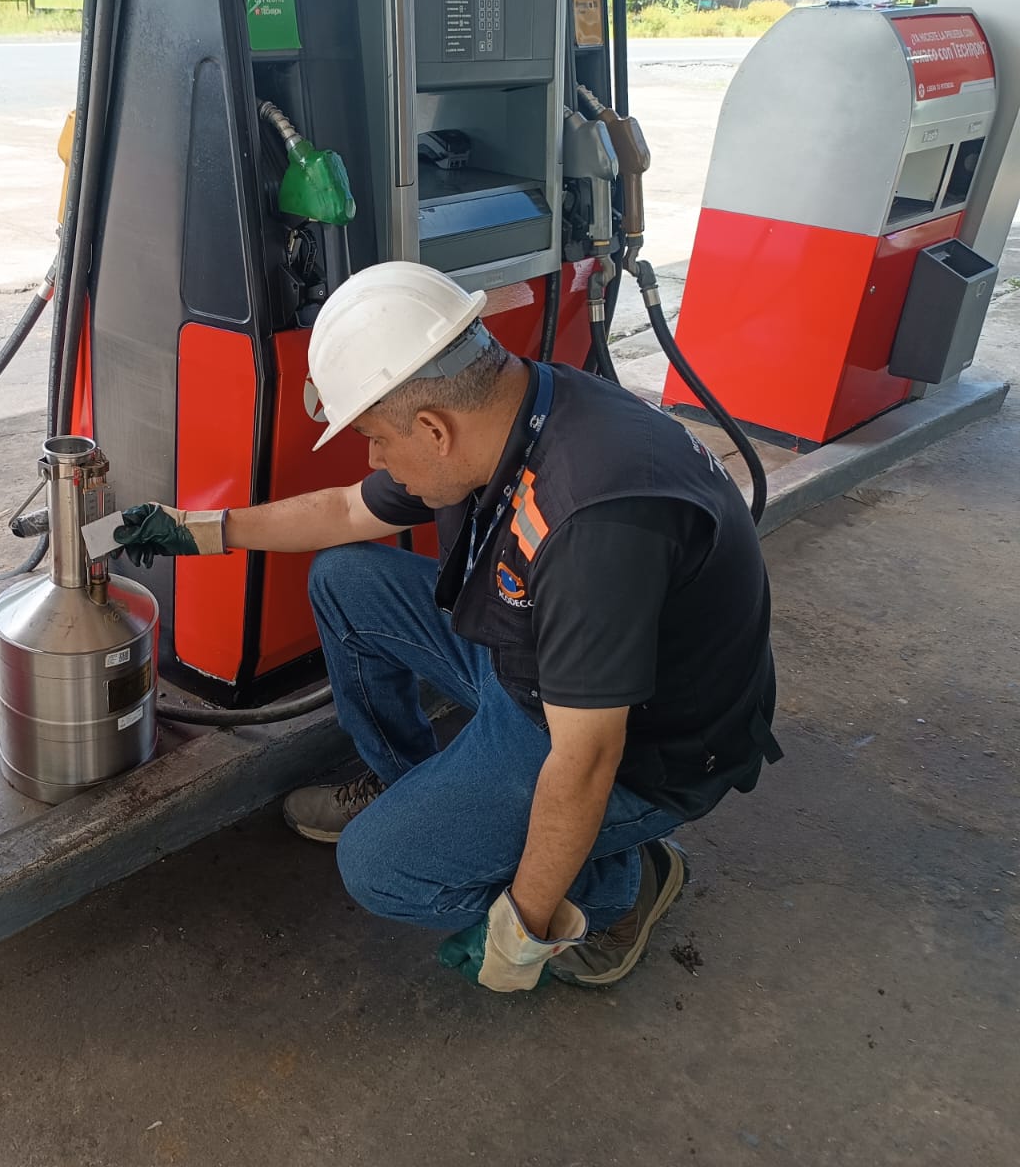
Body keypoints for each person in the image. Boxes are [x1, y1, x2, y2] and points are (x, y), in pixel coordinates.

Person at [113, 260, 782, 992]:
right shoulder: (512, 409)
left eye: (374, 438)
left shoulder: (592, 523)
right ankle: (415, 789)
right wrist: (201, 529)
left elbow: (587, 757)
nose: (373, 457)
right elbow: (345, 510)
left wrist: (525, 930)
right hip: (536, 665)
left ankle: (620, 887)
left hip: (641, 750)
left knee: (380, 870)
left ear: (433, 429)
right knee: (346, 579)